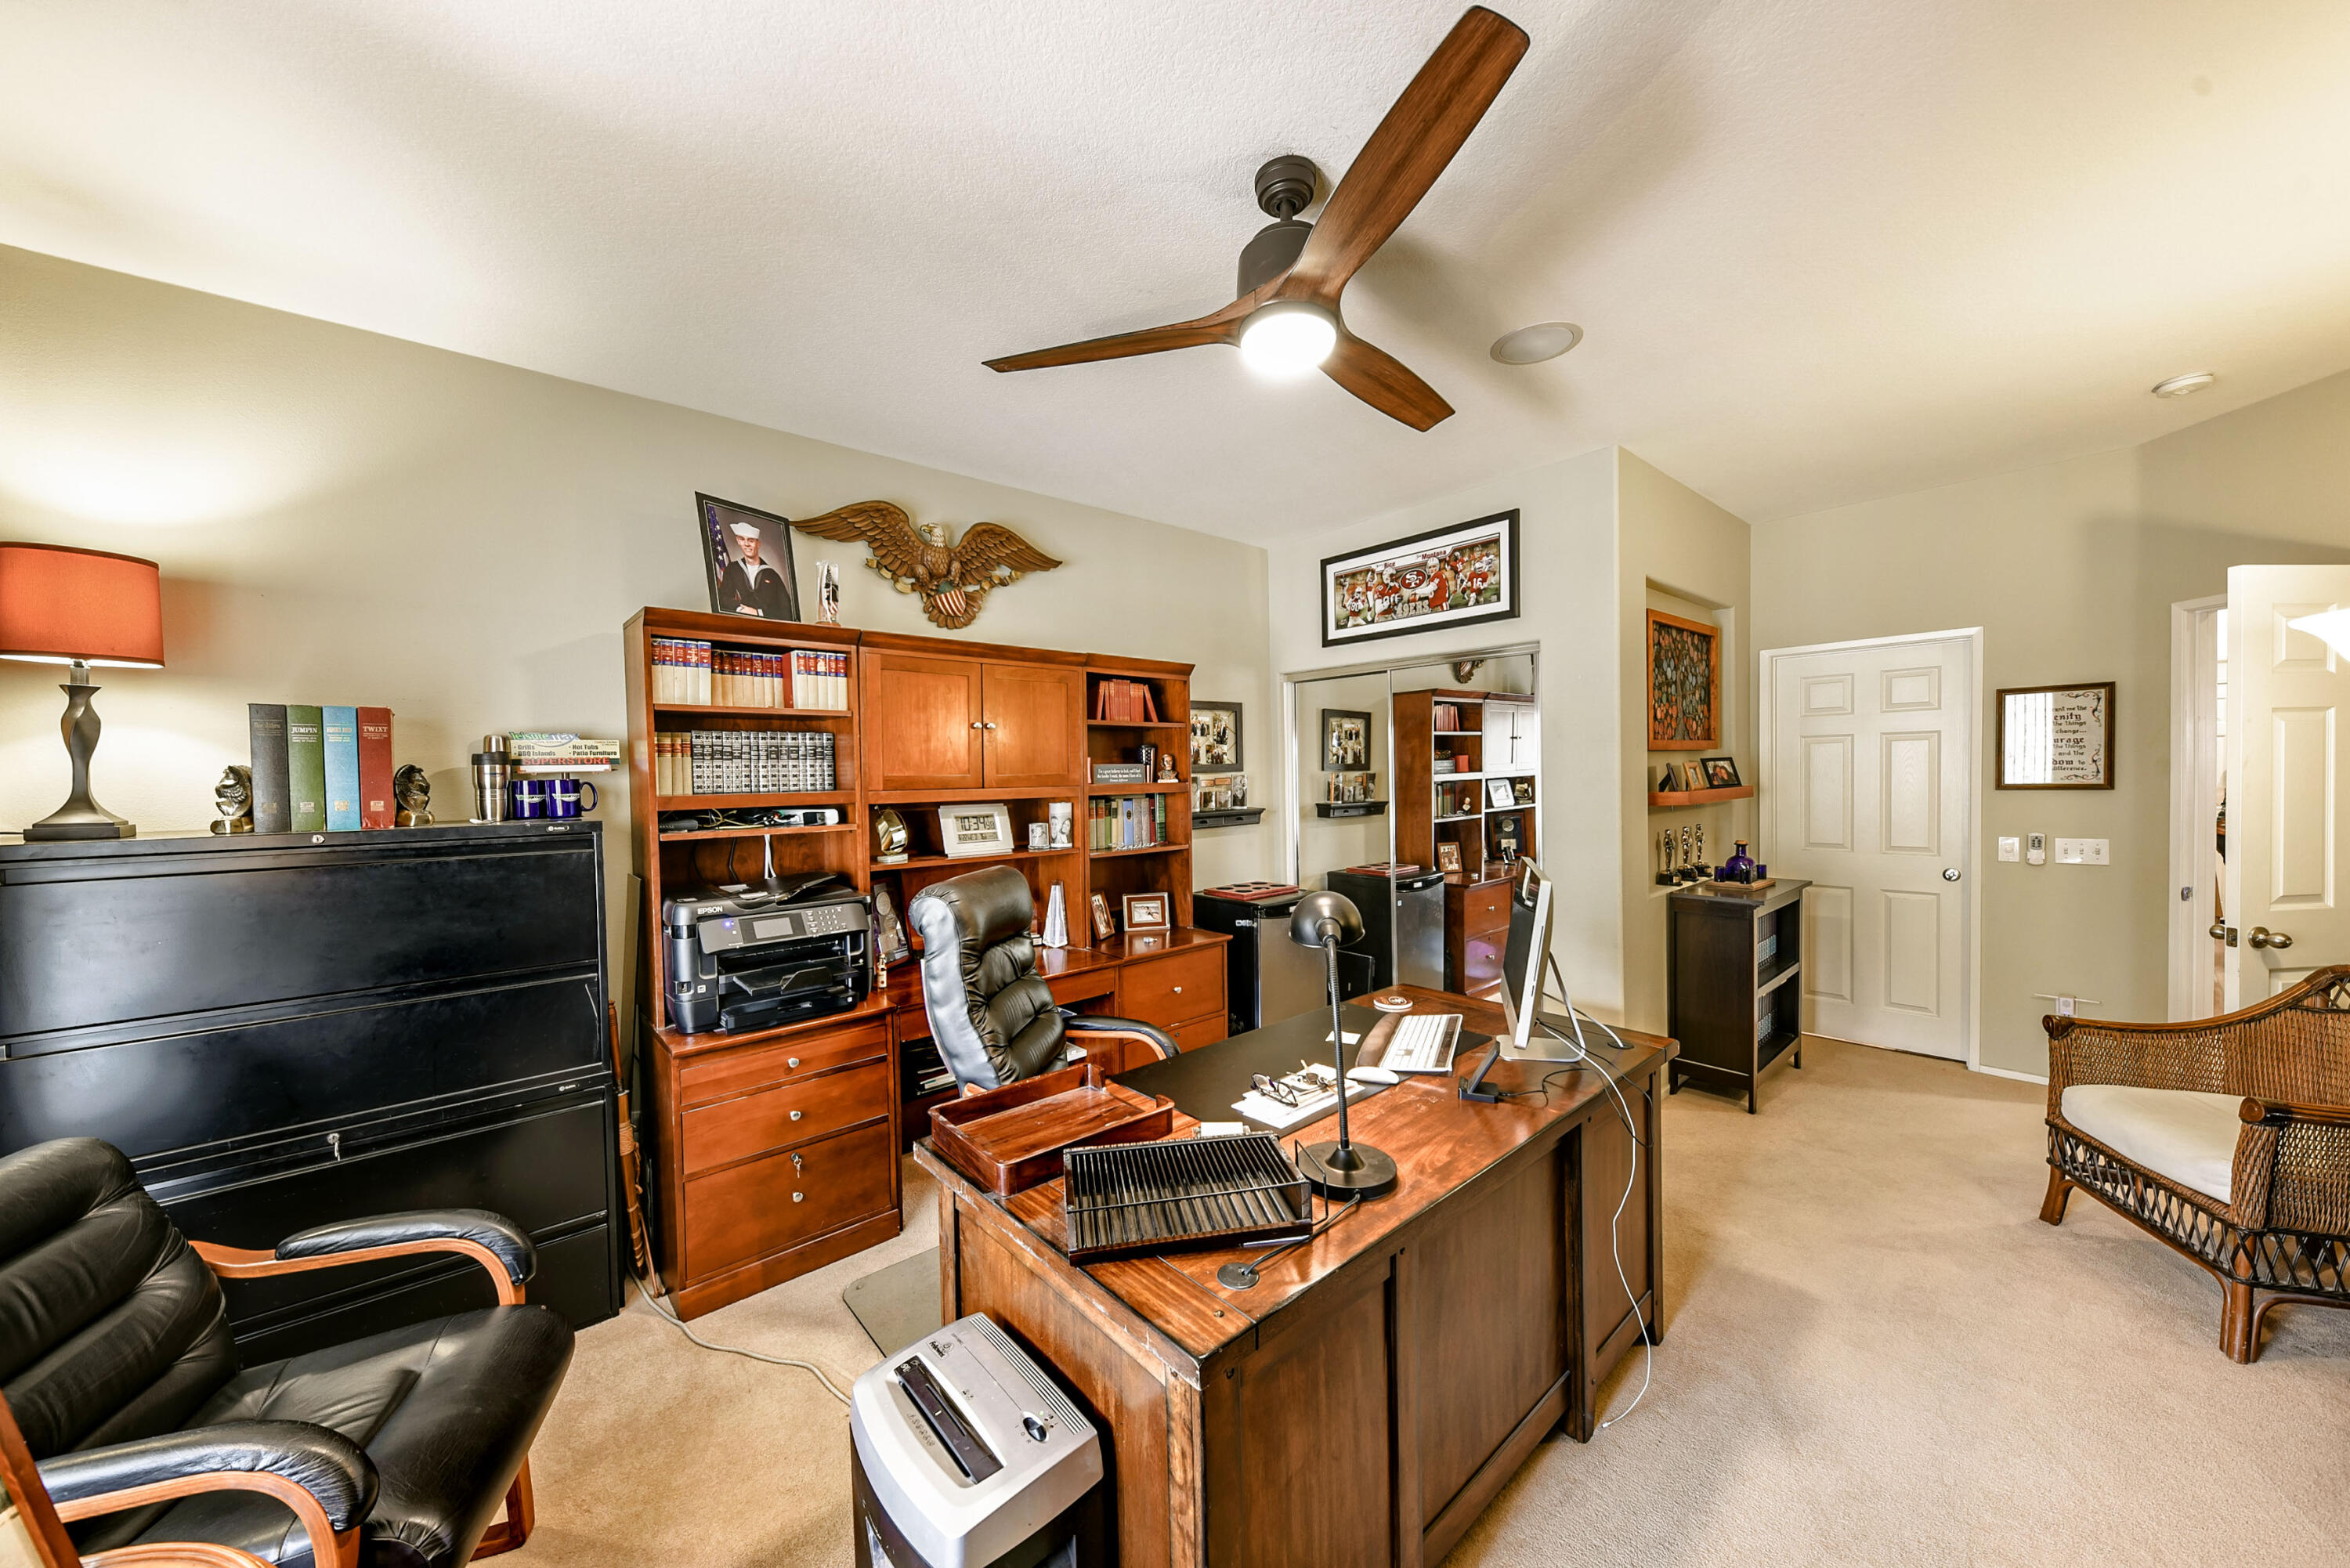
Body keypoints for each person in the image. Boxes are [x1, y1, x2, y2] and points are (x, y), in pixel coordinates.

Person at [718, 519, 792, 618]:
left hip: (767, 624)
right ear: (738, 541)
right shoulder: (733, 569)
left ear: (758, 544)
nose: (747, 544)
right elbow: (723, 598)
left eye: (751, 541)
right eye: (742, 539)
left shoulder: (771, 574)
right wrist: (739, 609)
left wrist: (758, 613)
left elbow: (786, 609)